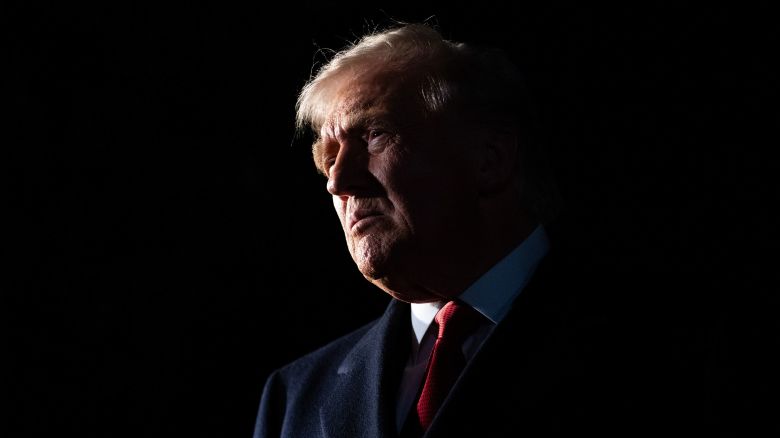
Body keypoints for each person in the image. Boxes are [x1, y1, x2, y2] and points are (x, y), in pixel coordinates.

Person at [253, 23, 738, 437]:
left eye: (375, 135)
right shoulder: (294, 396)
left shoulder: (667, 343)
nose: (338, 181)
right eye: (328, 159)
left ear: (490, 159)